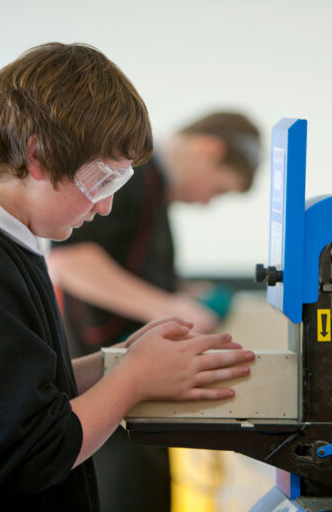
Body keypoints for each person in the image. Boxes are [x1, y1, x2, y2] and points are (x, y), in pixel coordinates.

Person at [0, 42, 255, 511]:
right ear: (38, 156)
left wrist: (114, 362)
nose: (106, 205)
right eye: (101, 181)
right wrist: (131, 380)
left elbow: (11, 393)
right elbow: (23, 453)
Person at [47, 112, 261, 512]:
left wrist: (178, 292)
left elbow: (125, 266)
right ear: (207, 149)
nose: (206, 202)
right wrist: (167, 306)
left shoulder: (153, 193)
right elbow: (69, 261)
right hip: (105, 404)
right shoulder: (129, 179)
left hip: (134, 402)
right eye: (217, 189)